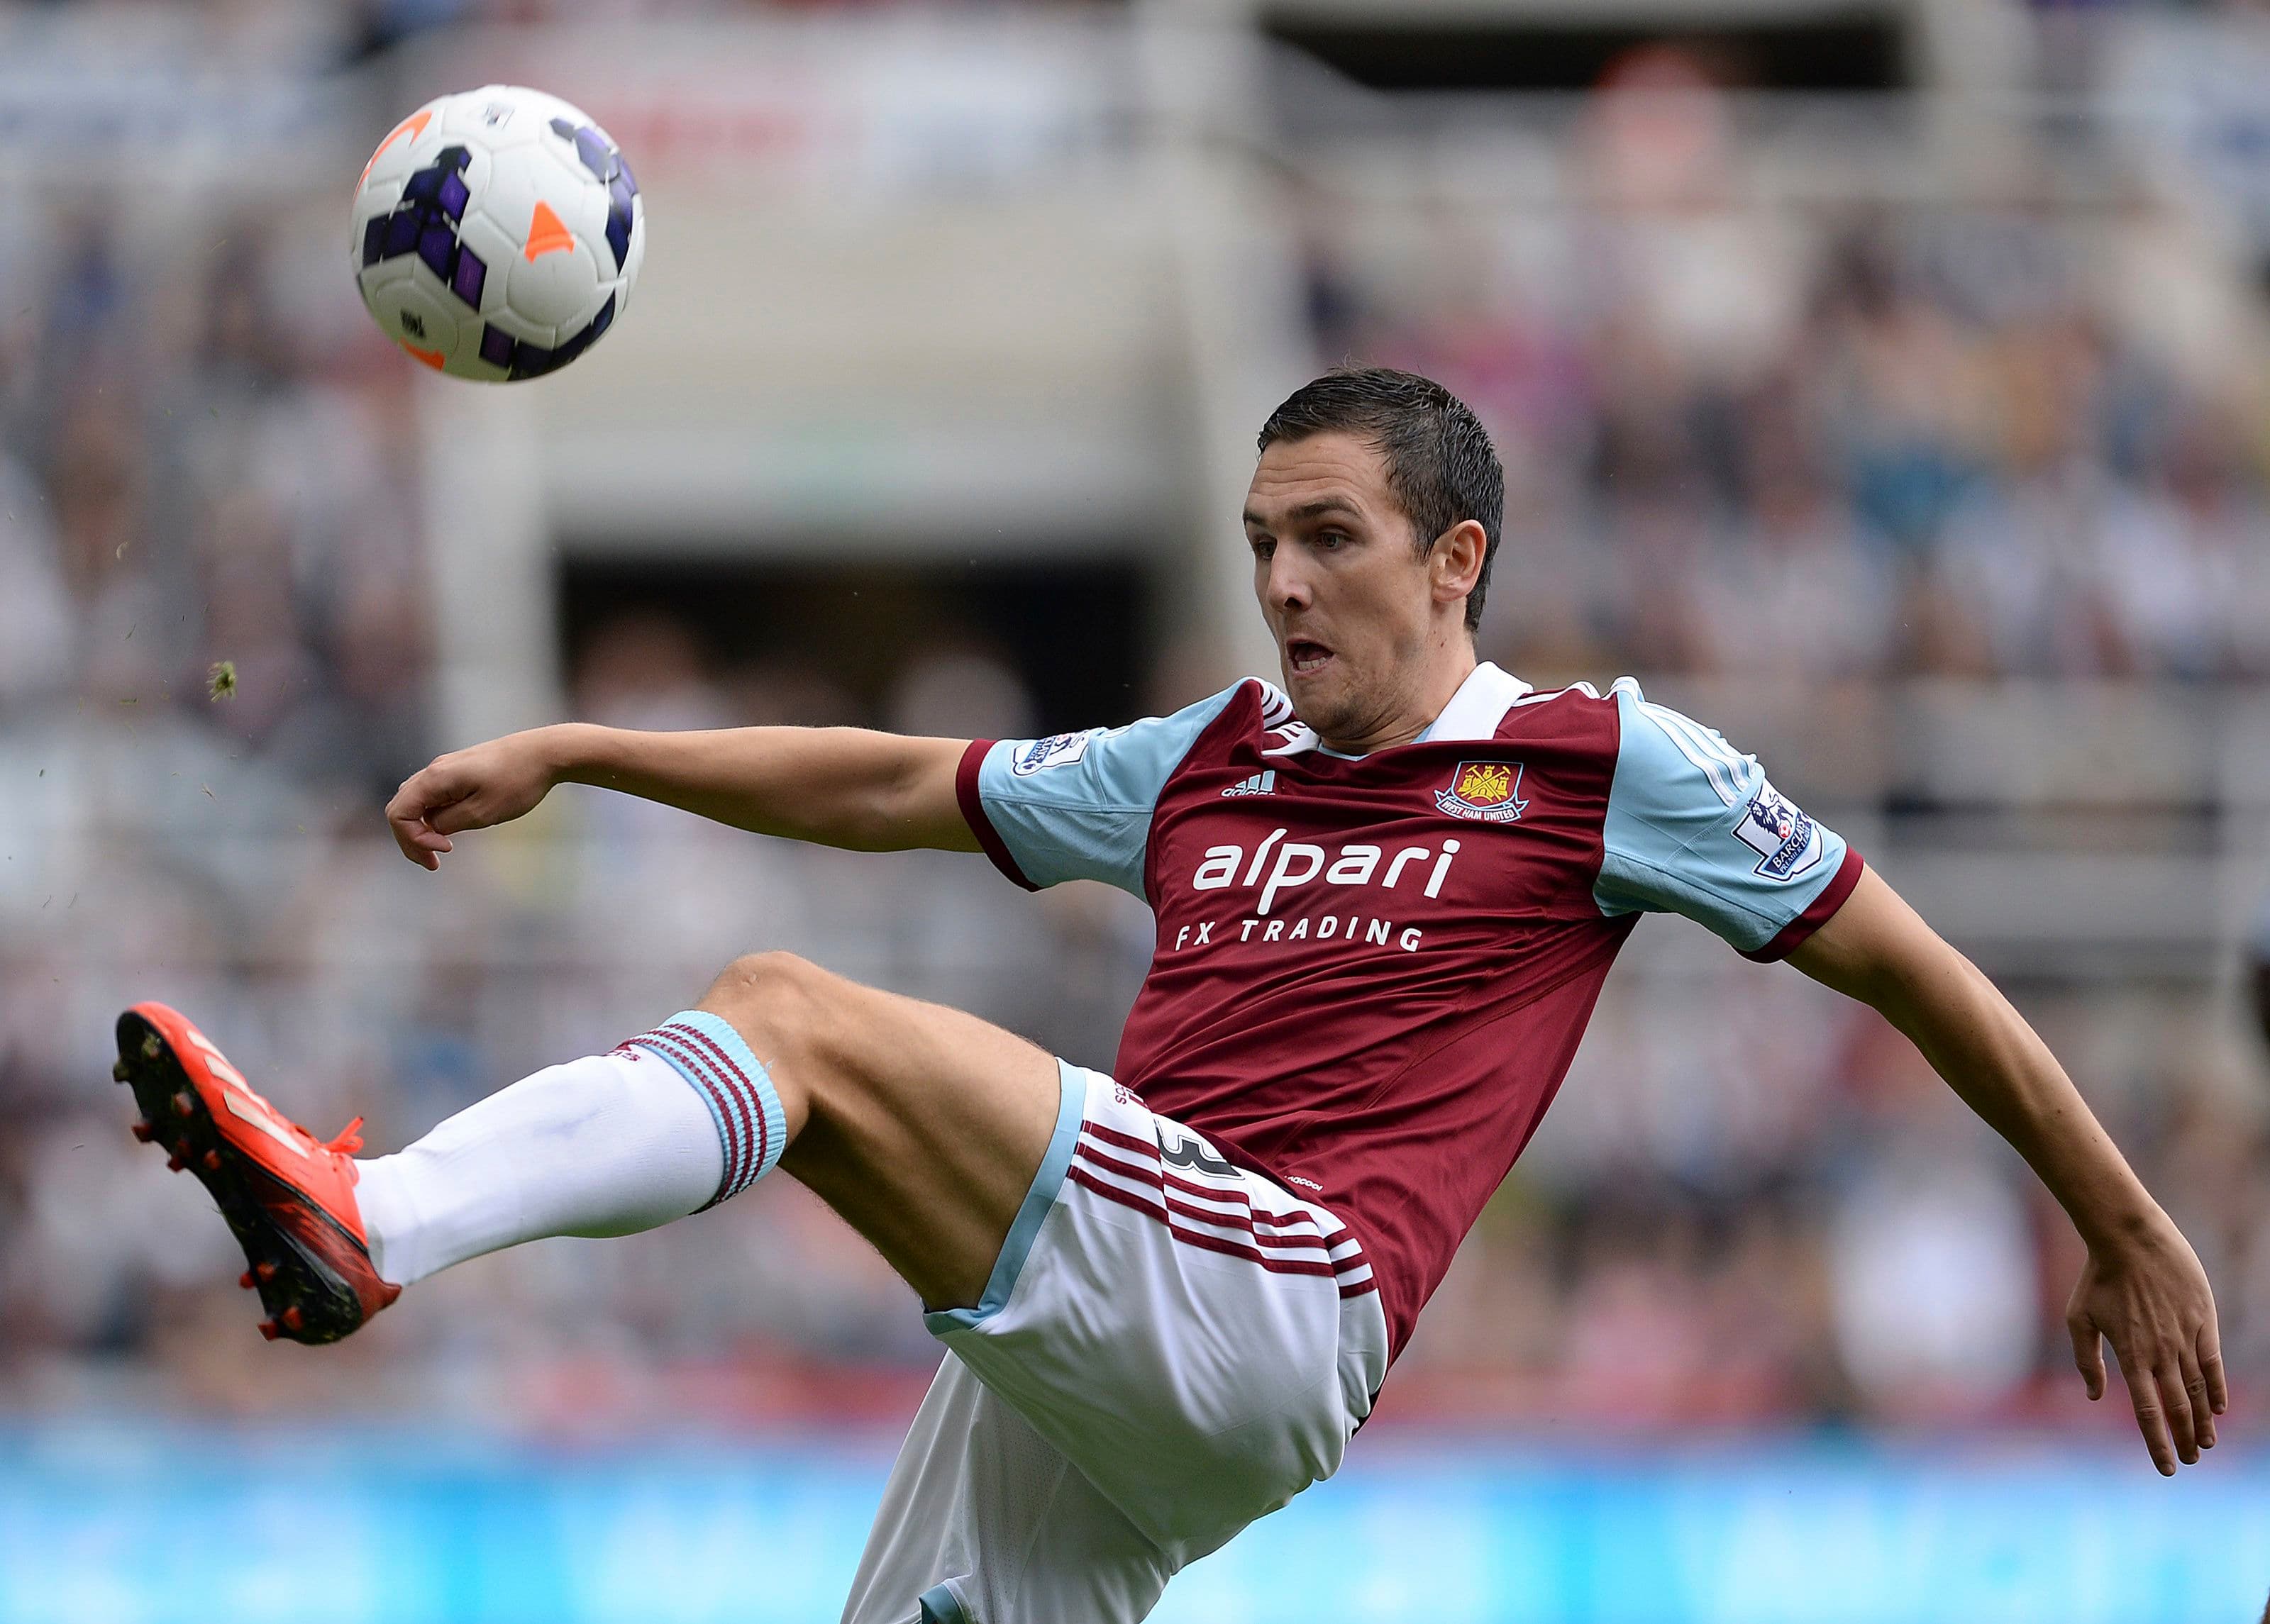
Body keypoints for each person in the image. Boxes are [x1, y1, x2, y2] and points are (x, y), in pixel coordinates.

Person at [115, 369, 2223, 1624]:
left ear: (1457, 561)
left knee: (790, 1012)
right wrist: (586, 751)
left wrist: (2122, 1220)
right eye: (1260, 538)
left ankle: (373, 1222)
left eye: (1331, 538)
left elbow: (1907, 962)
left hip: (1280, 1296)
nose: (1284, 579)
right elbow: (893, 782)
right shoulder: (1209, 756)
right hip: (1114, 1339)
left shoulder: (1601, 763)